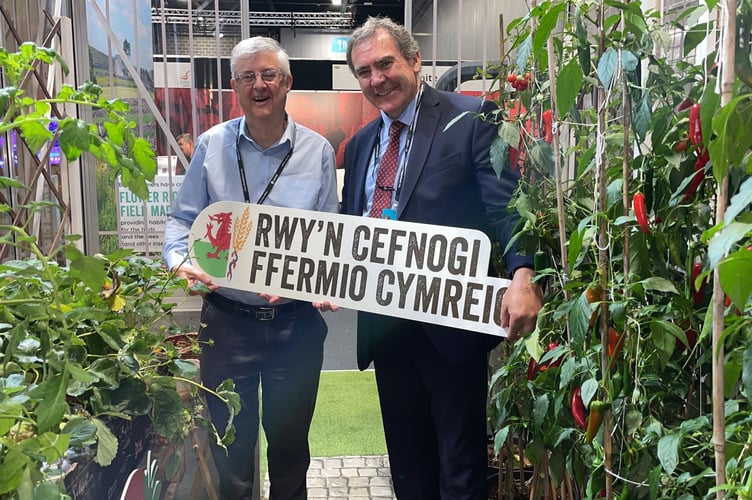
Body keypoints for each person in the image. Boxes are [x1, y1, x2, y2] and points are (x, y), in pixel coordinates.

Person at [339, 16, 543, 499]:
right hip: (385, 324)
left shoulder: (471, 117)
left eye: (385, 64)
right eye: (364, 71)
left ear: (414, 60)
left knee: (460, 464)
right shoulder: (363, 143)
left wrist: (522, 273)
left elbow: (505, 205)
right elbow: (355, 227)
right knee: (407, 465)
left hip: (449, 326)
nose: (376, 79)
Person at [162, 36, 339, 500]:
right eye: (248, 76)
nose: (259, 85)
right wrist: (181, 262)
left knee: (289, 454)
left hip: (294, 327)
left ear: (287, 82)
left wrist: (316, 283)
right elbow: (182, 221)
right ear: (234, 85)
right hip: (226, 325)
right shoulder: (211, 145)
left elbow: (327, 239)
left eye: (269, 75)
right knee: (231, 453)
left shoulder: (317, 152)